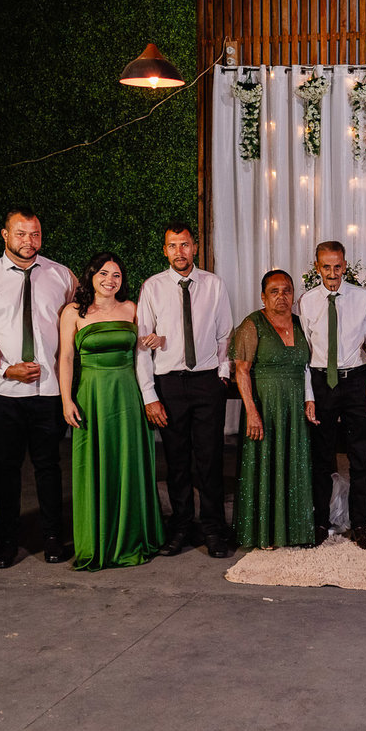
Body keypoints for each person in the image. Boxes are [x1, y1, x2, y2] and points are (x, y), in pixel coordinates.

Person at [0, 207, 77, 568]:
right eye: (21, 234)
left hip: (48, 392)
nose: (29, 241)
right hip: (3, 394)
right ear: (5, 235)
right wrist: (1, 369)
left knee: (49, 466)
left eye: (35, 234)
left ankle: (53, 537)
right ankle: (8, 541)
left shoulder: (61, 276)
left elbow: (79, 323)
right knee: (6, 468)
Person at [58, 253, 163, 570]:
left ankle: (132, 536)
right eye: (104, 273)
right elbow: (65, 358)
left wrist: (156, 339)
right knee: (96, 464)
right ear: (91, 275)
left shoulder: (132, 308)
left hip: (127, 395)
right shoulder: (73, 312)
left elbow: (143, 350)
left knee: (128, 463)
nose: (110, 280)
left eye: (116, 275)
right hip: (92, 395)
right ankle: (97, 539)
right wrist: (66, 400)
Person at [136, 222, 234, 559]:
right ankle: (179, 527)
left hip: (208, 382)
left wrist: (222, 376)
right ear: (165, 250)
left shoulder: (213, 285)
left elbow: (225, 335)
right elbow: (142, 346)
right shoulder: (152, 288)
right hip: (170, 384)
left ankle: (213, 528)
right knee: (176, 461)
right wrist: (150, 396)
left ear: (195, 246)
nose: (180, 251)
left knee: (210, 460)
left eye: (185, 245)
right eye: (173, 245)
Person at [296, 241, 366, 549]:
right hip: (321, 382)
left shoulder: (362, 297)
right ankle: (320, 521)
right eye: (326, 267)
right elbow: (305, 352)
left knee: (360, 456)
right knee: (321, 456)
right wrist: (309, 395)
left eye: (337, 266)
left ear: (345, 265)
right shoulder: (307, 302)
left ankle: (359, 524)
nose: (332, 273)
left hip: (355, 379)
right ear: (317, 267)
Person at [232, 270, 315, 548]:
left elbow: (307, 369)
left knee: (294, 464)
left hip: (295, 406)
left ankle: (295, 531)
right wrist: (251, 411)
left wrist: (308, 399)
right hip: (265, 407)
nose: (282, 296)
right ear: (263, 296)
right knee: (266, 464)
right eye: (275, 291)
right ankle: (265, 532)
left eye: (287, 290)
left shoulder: (303, 323)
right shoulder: (252, 324)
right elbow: (241, 371)